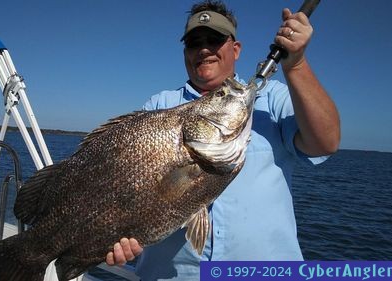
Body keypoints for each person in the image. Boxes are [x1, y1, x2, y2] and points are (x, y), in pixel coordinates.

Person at [104, 0, 340, 280]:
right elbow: (119, 186)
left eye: (214, 40)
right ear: (185, 53)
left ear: (235, 49)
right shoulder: (158, 107)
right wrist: (112, 233)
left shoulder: (273, 98)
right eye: (194, 42)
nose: (204, 49)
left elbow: (325, 142)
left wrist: (297, 65)